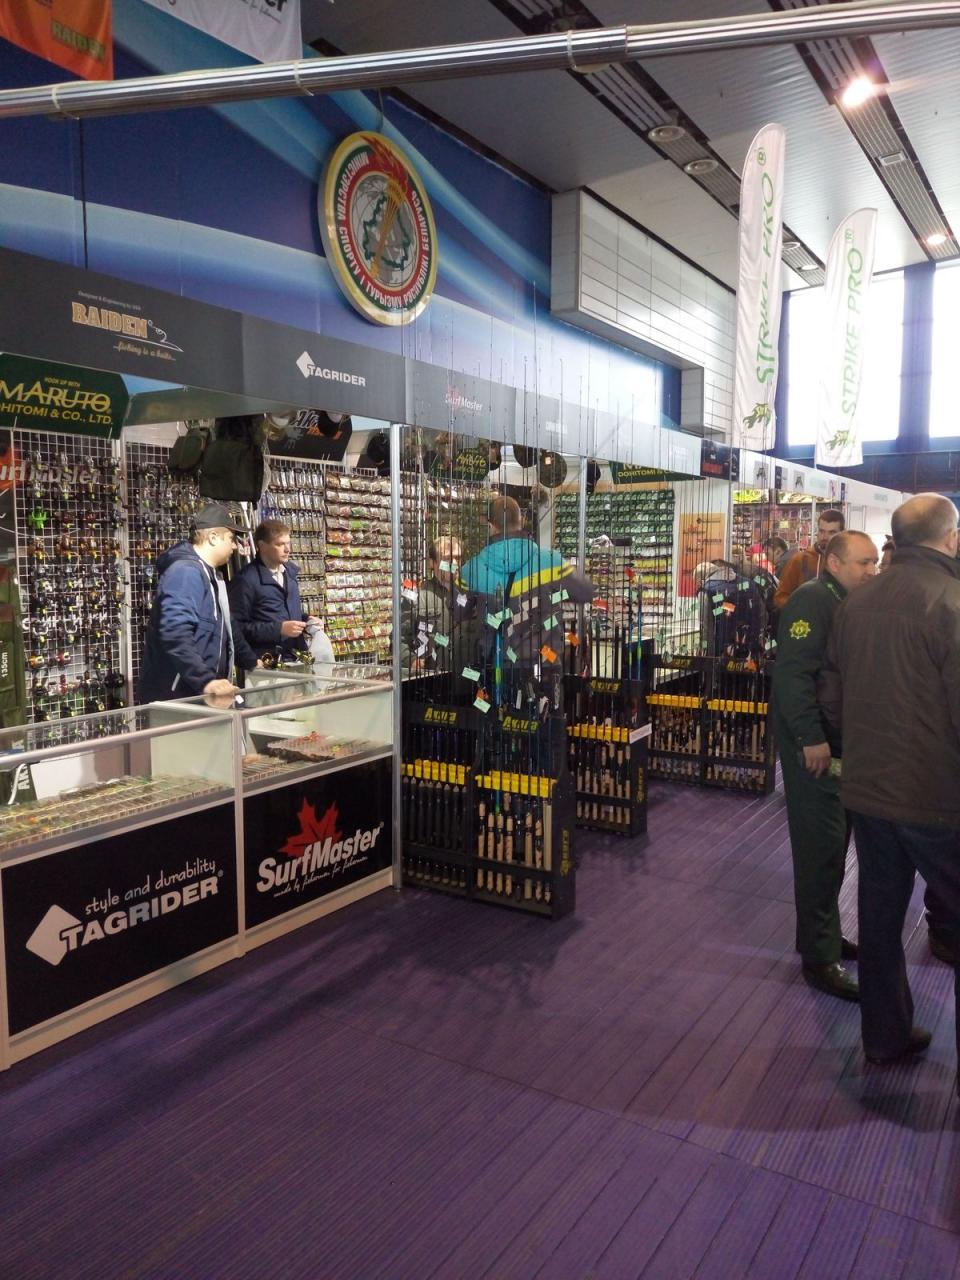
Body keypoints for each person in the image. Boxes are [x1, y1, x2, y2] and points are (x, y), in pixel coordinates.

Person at [825, 493, 960, 1076]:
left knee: (878, 921)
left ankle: (884, 1037)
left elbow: (833, 692)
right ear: (950, 539)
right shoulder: (951, 602)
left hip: (869, 790)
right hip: (936, 797)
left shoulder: (855, 603)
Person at [772, 530, 878, 1000]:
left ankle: (823, 937)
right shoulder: (813, 600)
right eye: (864, 563)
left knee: (833, 845)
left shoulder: (842, 600)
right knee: (821, 848)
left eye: (874, 562)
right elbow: (793, 675)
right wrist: (810, 737)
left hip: (834, 743)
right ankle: (819, 958)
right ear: (835, 563)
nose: (872, 570)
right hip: (814, 747)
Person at [458, 495, 593, 683]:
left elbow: (459, 612)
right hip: (545, 668)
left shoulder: (470, 570)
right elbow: (585, 592)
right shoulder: (551, 561)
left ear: (491, 526)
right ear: (521, 521)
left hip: (496, 669)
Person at [139, 502, 242, 702]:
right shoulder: (186, 572)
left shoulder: (210, 574)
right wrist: (205, 681)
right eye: (231, 538)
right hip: (179, 697)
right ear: (213, 537)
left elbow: (227, 629)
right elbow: (174, 631)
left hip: (195, 694)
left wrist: (250, 661)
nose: (235, 546)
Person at [228, 519, 320, 669]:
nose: (287, 549)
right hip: (267, 664)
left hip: (296, 659)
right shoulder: (245, 580)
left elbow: (284, 610)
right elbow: (236, 627)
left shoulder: (289, 574)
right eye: (280, 544)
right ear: (262, 546)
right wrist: (279, 630)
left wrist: (306, 619)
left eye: (288, 543)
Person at [399, 535, 464, 673]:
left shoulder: (467, 597)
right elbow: (399, 639)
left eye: (458, 558)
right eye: (447, 558)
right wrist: (412, 661)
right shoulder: (415, 597)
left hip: (462, 680)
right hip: (430, 678)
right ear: (432, 563)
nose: (454, 563)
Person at [774, 508, 846, 609]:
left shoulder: (848, 562)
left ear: (842, 533)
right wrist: (802, 608)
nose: (825, 537)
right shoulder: (800, 560)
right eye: (822, 531)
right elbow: (780, 597)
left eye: (831, 532)